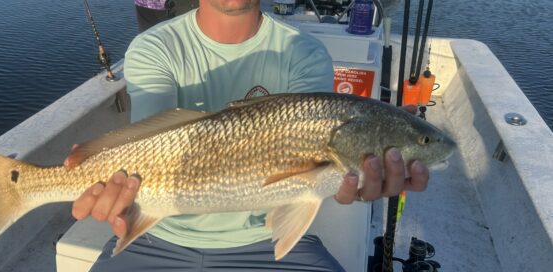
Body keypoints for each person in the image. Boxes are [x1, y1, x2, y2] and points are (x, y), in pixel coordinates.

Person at [70, 0, 430, 270]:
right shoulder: (155, 46)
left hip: (263, 241)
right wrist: (121, 194)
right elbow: (151, 140)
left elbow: (311, 182)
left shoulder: (303, 53)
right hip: (156, 236)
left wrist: (357, 181)